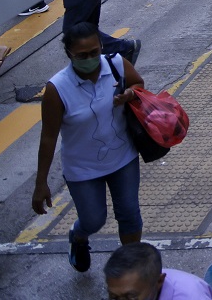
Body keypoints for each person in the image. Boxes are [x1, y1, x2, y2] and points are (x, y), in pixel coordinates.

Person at [33, 22, 144, 273]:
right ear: (69, 55)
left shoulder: (116, 65)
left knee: (129, 213)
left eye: (95, 52)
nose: (91, 59)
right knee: (94, 220)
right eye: (82, 56)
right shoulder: (57, 89)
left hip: (122, 157)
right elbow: (48, 137)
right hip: (82, 168)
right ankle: (79, 235)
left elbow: (139, 84)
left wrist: (129, 94)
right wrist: (41, 184)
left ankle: (130, 270)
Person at [106, 242, 212, 300]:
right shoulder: (143, 281)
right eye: (114, 297)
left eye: (131, 297)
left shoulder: (192, 299)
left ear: (159, 281)